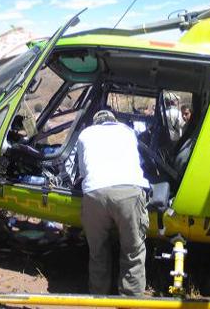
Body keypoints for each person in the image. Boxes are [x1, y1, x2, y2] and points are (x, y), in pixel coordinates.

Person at [77, 110, 149, 296]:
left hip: (95, 193)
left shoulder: (85, 134)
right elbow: (138, 162)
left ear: (96, 122)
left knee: (98, 251)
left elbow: (83, 172)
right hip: (128, 192)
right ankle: (130, 300)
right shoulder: (127, 131)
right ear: (114, 121)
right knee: (133, 252)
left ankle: (98, 297)